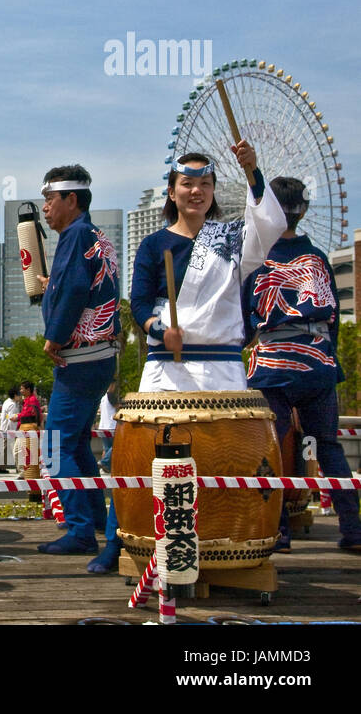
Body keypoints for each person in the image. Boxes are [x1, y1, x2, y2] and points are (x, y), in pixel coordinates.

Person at [123, 144, 284, 572]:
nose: (197, 191)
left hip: (221, 368)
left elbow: (268, 225)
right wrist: (159, 329)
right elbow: (139, 304)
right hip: (166, 369)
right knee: (157, 459)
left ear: (213, 191)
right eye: (187, 184)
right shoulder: (153, 244)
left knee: (227, 461)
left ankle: (221, 546)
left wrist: (252, 170)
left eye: (205, 184)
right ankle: (147, 548)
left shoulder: (231, 240)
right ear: (172, 192)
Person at [243, 176, 360, 551]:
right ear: (304, 210)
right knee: (327, 446)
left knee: (270, 448)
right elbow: (334, 320)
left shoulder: (259, 257)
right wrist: (327, 359)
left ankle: (278, 530)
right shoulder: (317, 259)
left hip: (273, 365)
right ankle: (353, 529)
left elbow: (246, 319)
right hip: (317, 361)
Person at [34, 165, 120, 558]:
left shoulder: (73, 236)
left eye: (50, 200)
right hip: (100, 355)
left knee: (55, 443)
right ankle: (96, 521)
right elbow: (78, 284)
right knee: (79, 446)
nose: (46, 208)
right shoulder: (96, 236)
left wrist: (55, 334)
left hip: (80, 357)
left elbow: (75, 287)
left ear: (72, 200)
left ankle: (80, 529)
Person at [0, 385, 21, 473]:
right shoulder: (12, 405)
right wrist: (14, 432)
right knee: (14, 448)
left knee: (4, 448)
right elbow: (12, 418)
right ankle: (17, 468)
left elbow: (6, 416)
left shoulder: (7, 401)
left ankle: (1, 467)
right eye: (19, 395)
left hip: (4, 427)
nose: (20, 397)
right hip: (9, 429)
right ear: (15, 395)